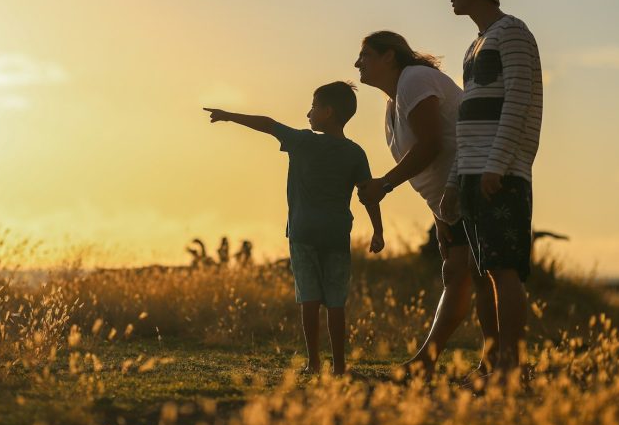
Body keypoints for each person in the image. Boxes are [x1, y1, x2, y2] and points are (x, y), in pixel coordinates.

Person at [204, 82, 384, 375]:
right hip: (337, 235)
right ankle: (339, 366)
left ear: (327, 112)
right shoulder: (355, 153)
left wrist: (229, 115)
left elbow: (268, 124)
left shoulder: (302, 141)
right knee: (336, 302)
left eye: (313, 106)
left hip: (303, 233)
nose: (308, 112)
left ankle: (314, 363)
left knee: (309, 300)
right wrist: (378, 231)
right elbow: (368, 194)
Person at [354, 31, 498, 376]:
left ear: (389, 57)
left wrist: (385, 184)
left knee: (475, 274)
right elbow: (433, 159)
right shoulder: (395, 101)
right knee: (464, 274)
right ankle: (483, 361)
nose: (358, 63)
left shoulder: (414, 80)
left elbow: (432, 144)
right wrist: (440, 217)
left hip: (474, 182)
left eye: (365, 55)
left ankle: (453, 362)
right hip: (452, 198)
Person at [438, 0, 543, 376]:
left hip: (501, 174)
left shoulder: (513, 33)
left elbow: (519, 101)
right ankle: (491, 362)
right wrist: (453, 181)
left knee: (504, 269)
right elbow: (468, 120)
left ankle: (510, 368)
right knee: (482, 273)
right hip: (471, 174)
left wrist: (497, 165)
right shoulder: (474, 45)